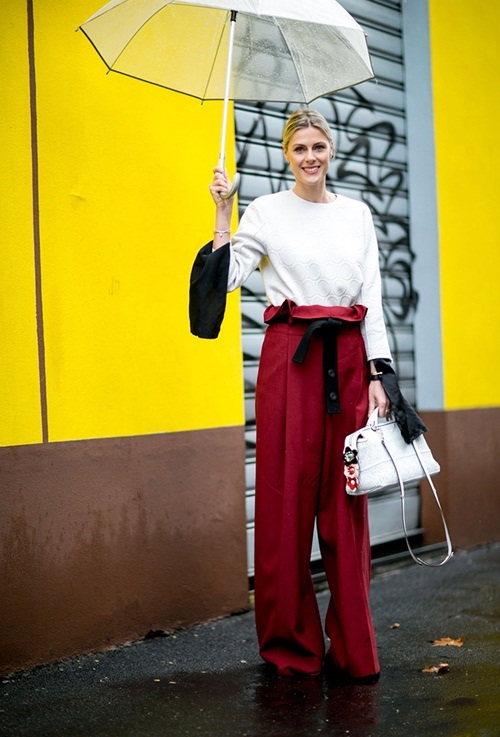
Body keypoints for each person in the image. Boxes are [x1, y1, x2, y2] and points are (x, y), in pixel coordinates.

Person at [189, 108, 425, 682]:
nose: (310, 157)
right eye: (300, 148)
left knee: (345, 504)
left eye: (319, 146)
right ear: (286, 154)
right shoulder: (265, 211)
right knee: (285, 502)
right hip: (290, 359)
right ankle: (292, 647)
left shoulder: (357, 214)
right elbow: (228, 276)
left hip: (347, 360)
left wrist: (379, 375)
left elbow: (371, 298)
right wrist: (222, 213)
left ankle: (353, 648)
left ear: (332, 150)